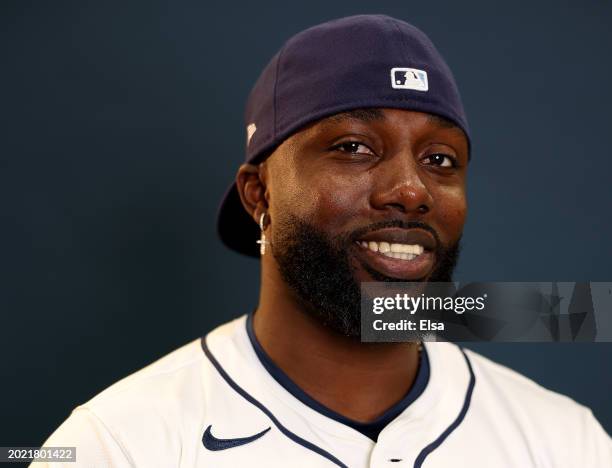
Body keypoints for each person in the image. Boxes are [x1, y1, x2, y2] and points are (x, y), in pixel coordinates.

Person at [32, 14, 611, 467]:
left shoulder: (566, 441)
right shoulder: (117, 446)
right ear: (258, 194)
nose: (411, 191)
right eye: (355, 147)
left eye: (440, 159)